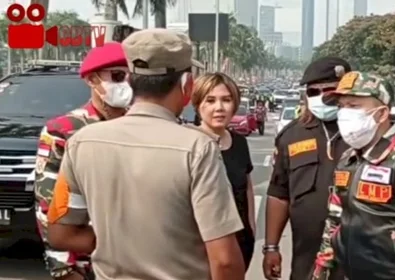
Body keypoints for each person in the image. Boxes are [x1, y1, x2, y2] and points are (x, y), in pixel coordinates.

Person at [46, 29, 246, 280]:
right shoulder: (198, 148)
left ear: (130, 81)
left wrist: (119, 242)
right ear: (187, 85)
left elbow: (60, 233)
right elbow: (225, 261)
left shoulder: (81, 143)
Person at [313, 71, 395, 280]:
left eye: (354, 106)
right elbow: (334, 220)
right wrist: (322, 268)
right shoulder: (348, 159)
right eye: (341, 106)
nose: (344, 113)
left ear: (382, 114)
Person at [34, 42, 131, 280]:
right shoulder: (63, 131)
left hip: (138, 262)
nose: (126, 84)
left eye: (132, 77)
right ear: (92, 80)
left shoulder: (145, 128)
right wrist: (64, 270)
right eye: (117, 76)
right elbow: (50, 208)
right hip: (87, 264)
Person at [263, 57, 351, 280]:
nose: (321, 97)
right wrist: (271, 247)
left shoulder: (365, 133)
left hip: (360, 260)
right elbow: (279, 194)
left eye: (330, 90)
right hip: (307, 263)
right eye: (313, 92)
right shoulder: (292, 135)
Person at [191, 72, 256, 271]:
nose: (219, 108)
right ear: (198, 104)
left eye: (226, 100)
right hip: (200, 247)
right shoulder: (189, 142)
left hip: (240, 243)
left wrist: (252, 230)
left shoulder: (239, 143)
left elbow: (247, 189)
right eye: (210, 100)